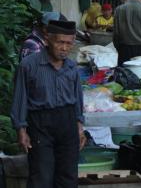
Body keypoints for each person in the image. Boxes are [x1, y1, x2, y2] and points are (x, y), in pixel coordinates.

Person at [11, 20, 86, 187]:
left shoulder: (72, 67)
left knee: (68, 176)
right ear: (47, 39)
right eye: (60, 42)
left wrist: (79, 127)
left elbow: (77, 99)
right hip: (40, 124)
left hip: (67, 122)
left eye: (69, 43)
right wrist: (21, 129)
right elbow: (20, 98)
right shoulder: (29, 66)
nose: (65, 48)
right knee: (41, 176)